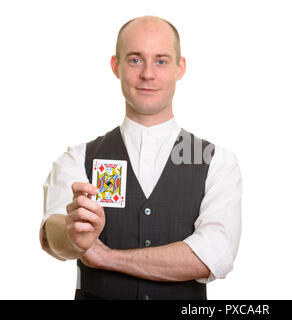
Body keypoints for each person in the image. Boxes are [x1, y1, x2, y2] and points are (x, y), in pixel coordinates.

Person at [39, 15, 242, 300]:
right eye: (135, 60)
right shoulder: (78, 158)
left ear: (179, 68)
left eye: (161, 60)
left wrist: (106, 257)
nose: (148, 73)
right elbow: (53, 234)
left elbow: (214, 255)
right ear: (116, 66)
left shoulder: (216, 161)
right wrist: (73, 236)